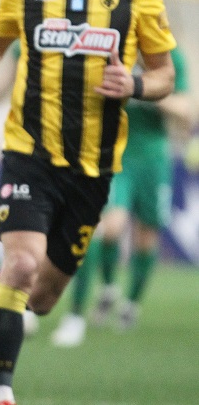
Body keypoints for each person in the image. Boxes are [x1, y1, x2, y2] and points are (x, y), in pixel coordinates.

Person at [0, 0, 177, 405]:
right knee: (22, 265)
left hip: (93, 169)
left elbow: (164, 74)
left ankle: (12, 281)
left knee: (43, 297)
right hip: (28, 153)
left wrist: (136, 85)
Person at [52, 45, 193, 347]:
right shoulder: (114, 51)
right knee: (108, 227)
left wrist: (143, 88)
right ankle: (105, 290)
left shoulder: (169, 59)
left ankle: (131, 304)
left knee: (146, 237)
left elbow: (185, 111)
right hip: (116, 154)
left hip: (154, 159)